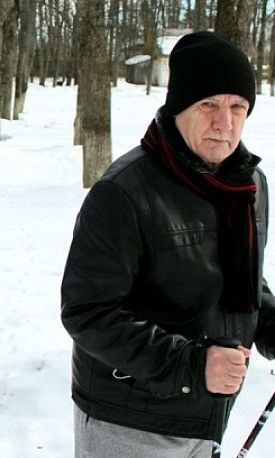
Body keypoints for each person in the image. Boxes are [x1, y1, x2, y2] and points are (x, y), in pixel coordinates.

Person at [61, 31, 275, 458]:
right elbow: (87, 313)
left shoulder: (248, 185)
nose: (225, 122)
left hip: (206, 415)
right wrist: (194, 366)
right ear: (179, 108)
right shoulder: (124, 193)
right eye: (208, 105)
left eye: (238, 107)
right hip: (130, 423)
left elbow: (241, 284)